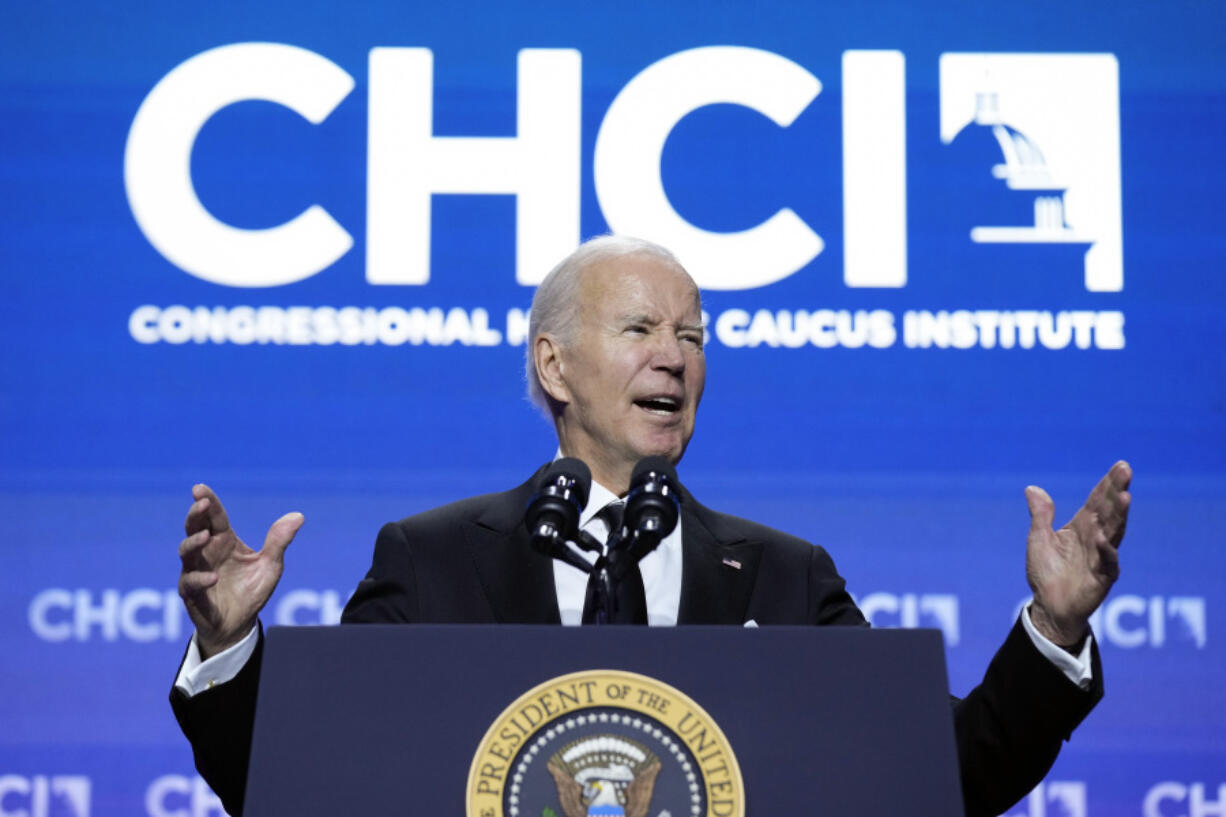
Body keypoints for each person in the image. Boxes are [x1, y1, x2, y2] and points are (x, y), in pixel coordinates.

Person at [172, 235, 1132, 817]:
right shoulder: (428, 558)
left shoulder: (785, 576)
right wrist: (227, 647)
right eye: (639, 331)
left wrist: (1052, 630)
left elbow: (935, 779)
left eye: (693, 336)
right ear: (554, 365)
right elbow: (307, 781)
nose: (674, 358)